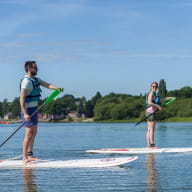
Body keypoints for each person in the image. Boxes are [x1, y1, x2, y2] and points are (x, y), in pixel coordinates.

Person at [20, 61, 63, 164]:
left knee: (34, 132)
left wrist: (57, 88)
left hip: (34, 108)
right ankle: (24, 157)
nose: (37, 69)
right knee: (29, 134)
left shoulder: (36, 80)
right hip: (27, 110)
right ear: (29, 69)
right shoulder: (26, 82)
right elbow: (21, 98)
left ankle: (30, 155)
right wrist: (25, 113)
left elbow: (47, 85)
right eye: (35, 67)